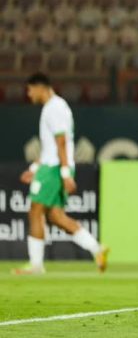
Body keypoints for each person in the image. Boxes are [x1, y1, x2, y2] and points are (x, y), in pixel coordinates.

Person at [14, 73, 108, 275]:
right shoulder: (55, 106)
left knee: (35, 210)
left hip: (54, 168)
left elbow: (61, 142)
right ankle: (97, 249)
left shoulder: (54, 108)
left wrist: (65, 173)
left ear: (40, 87)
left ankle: (36, 265)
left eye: (30, 90)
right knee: (55, 216)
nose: (29, 94)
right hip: (53, 165)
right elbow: (50, 147)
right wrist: (34, 168)